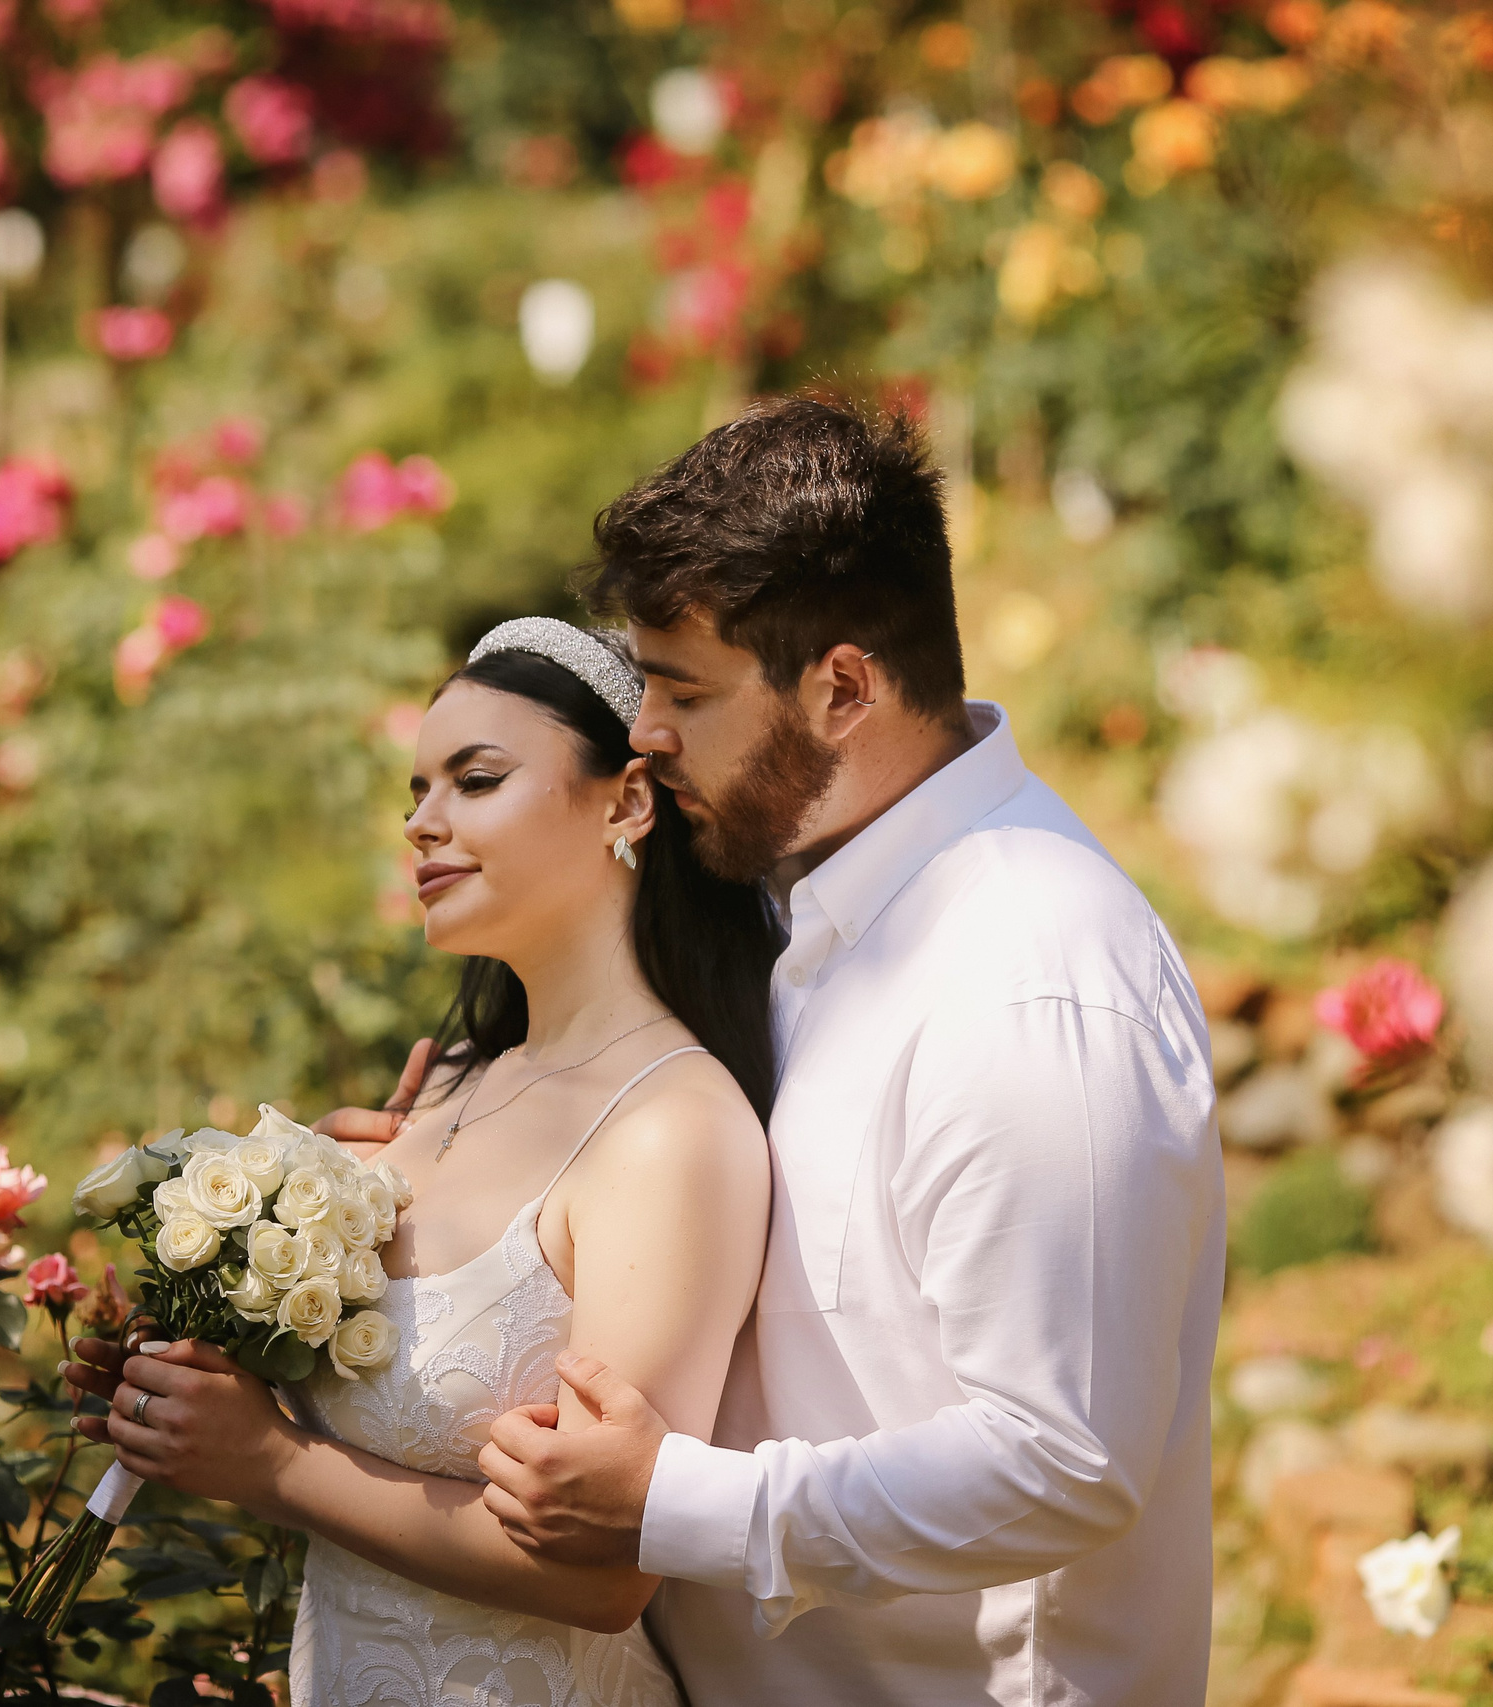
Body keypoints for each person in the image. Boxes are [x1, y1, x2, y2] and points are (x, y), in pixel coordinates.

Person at [465, 398, 1224, 1702]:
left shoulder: (1027, 985)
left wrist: (683, 1500)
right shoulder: (797, 885)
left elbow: (1064, 1457)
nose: (644, 730)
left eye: (685, 690)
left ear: (843, 686)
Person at [63, 617, 784, 1707]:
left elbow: (609, 1573)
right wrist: (206, 1363)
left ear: (627, 803)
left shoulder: (668, 1132)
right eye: (415, 793)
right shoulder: (445, 1088)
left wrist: (269, 1466)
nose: (422, 823)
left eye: (475, 780)